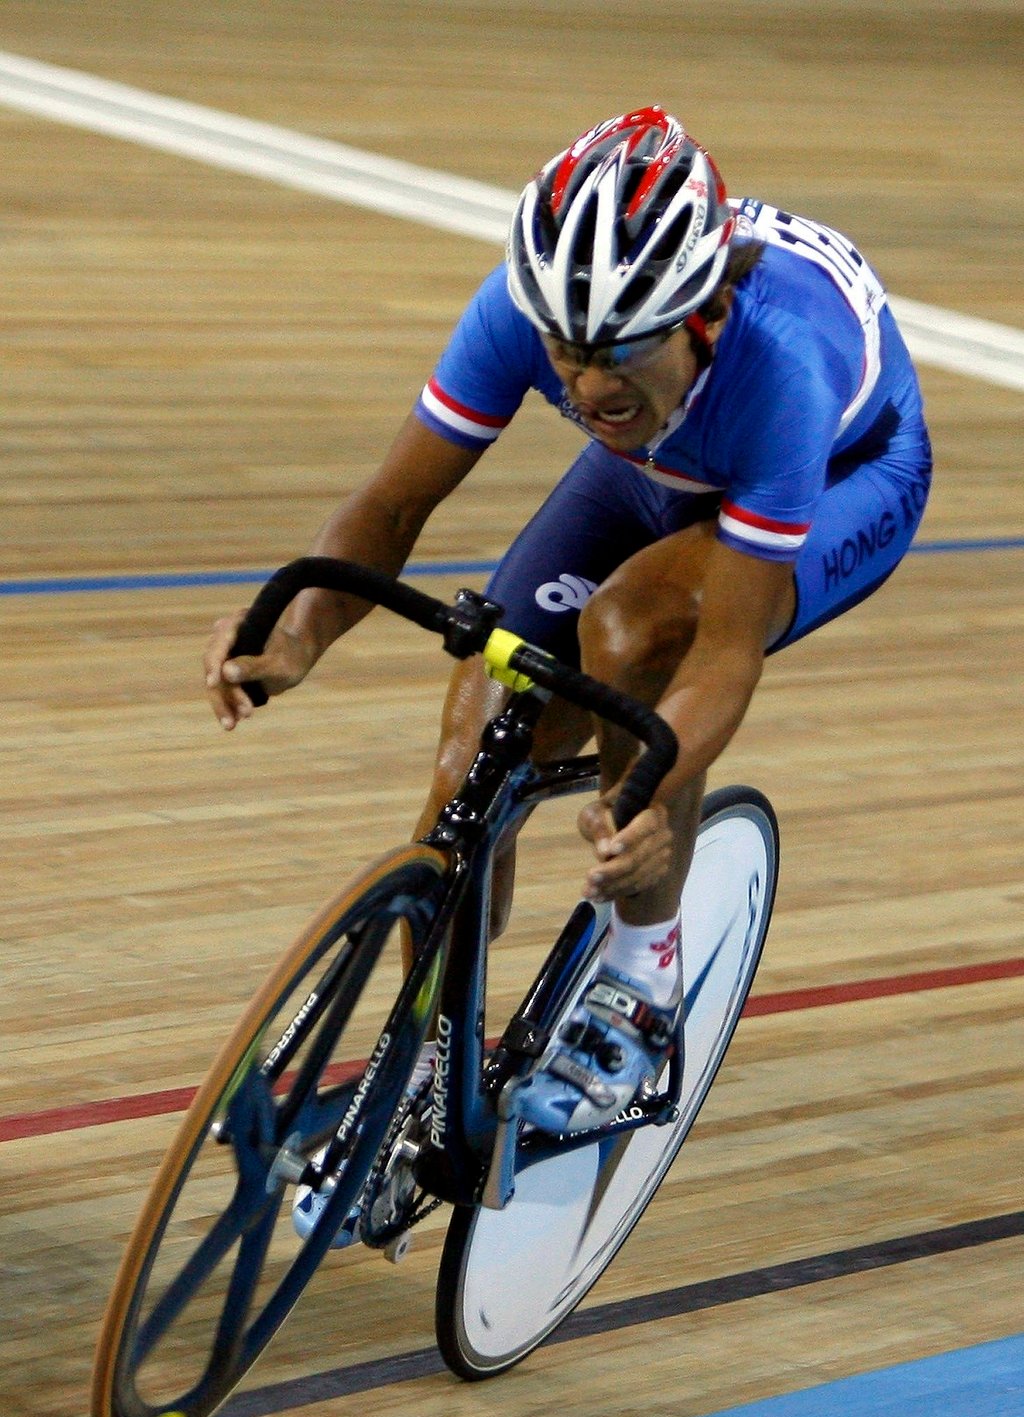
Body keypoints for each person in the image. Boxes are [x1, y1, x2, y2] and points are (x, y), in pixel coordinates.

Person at [205, 107, 931, 1139]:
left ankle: (644, 982)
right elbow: (392, 505)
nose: (586, 383)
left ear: (703, 316)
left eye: (619, 352)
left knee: (632, 636)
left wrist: (646, 789)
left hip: (848, 479)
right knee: (476, 747)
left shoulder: (781, 372)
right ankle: (427, 1058)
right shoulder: (526, 309)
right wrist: (298, 635)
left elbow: (726, 653)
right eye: (566, 350)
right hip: (658, 461)